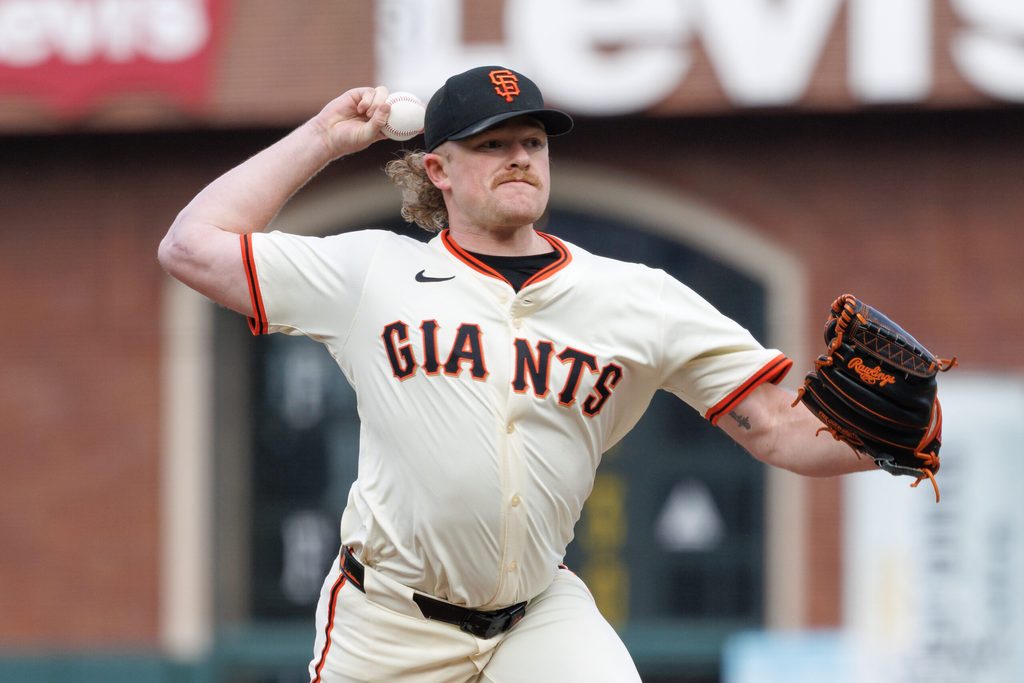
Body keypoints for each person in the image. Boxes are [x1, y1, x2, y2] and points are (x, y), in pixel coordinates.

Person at [158, 65, 875, 683]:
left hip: (536, 618)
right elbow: (191, 246)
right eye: (492, 143)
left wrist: (903, 435)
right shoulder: (370, 272)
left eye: (531, 141)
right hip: (389, 621)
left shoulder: (633, 297)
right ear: (437, 168)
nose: (520, 157)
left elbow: (779, 429)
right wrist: (321, 138)